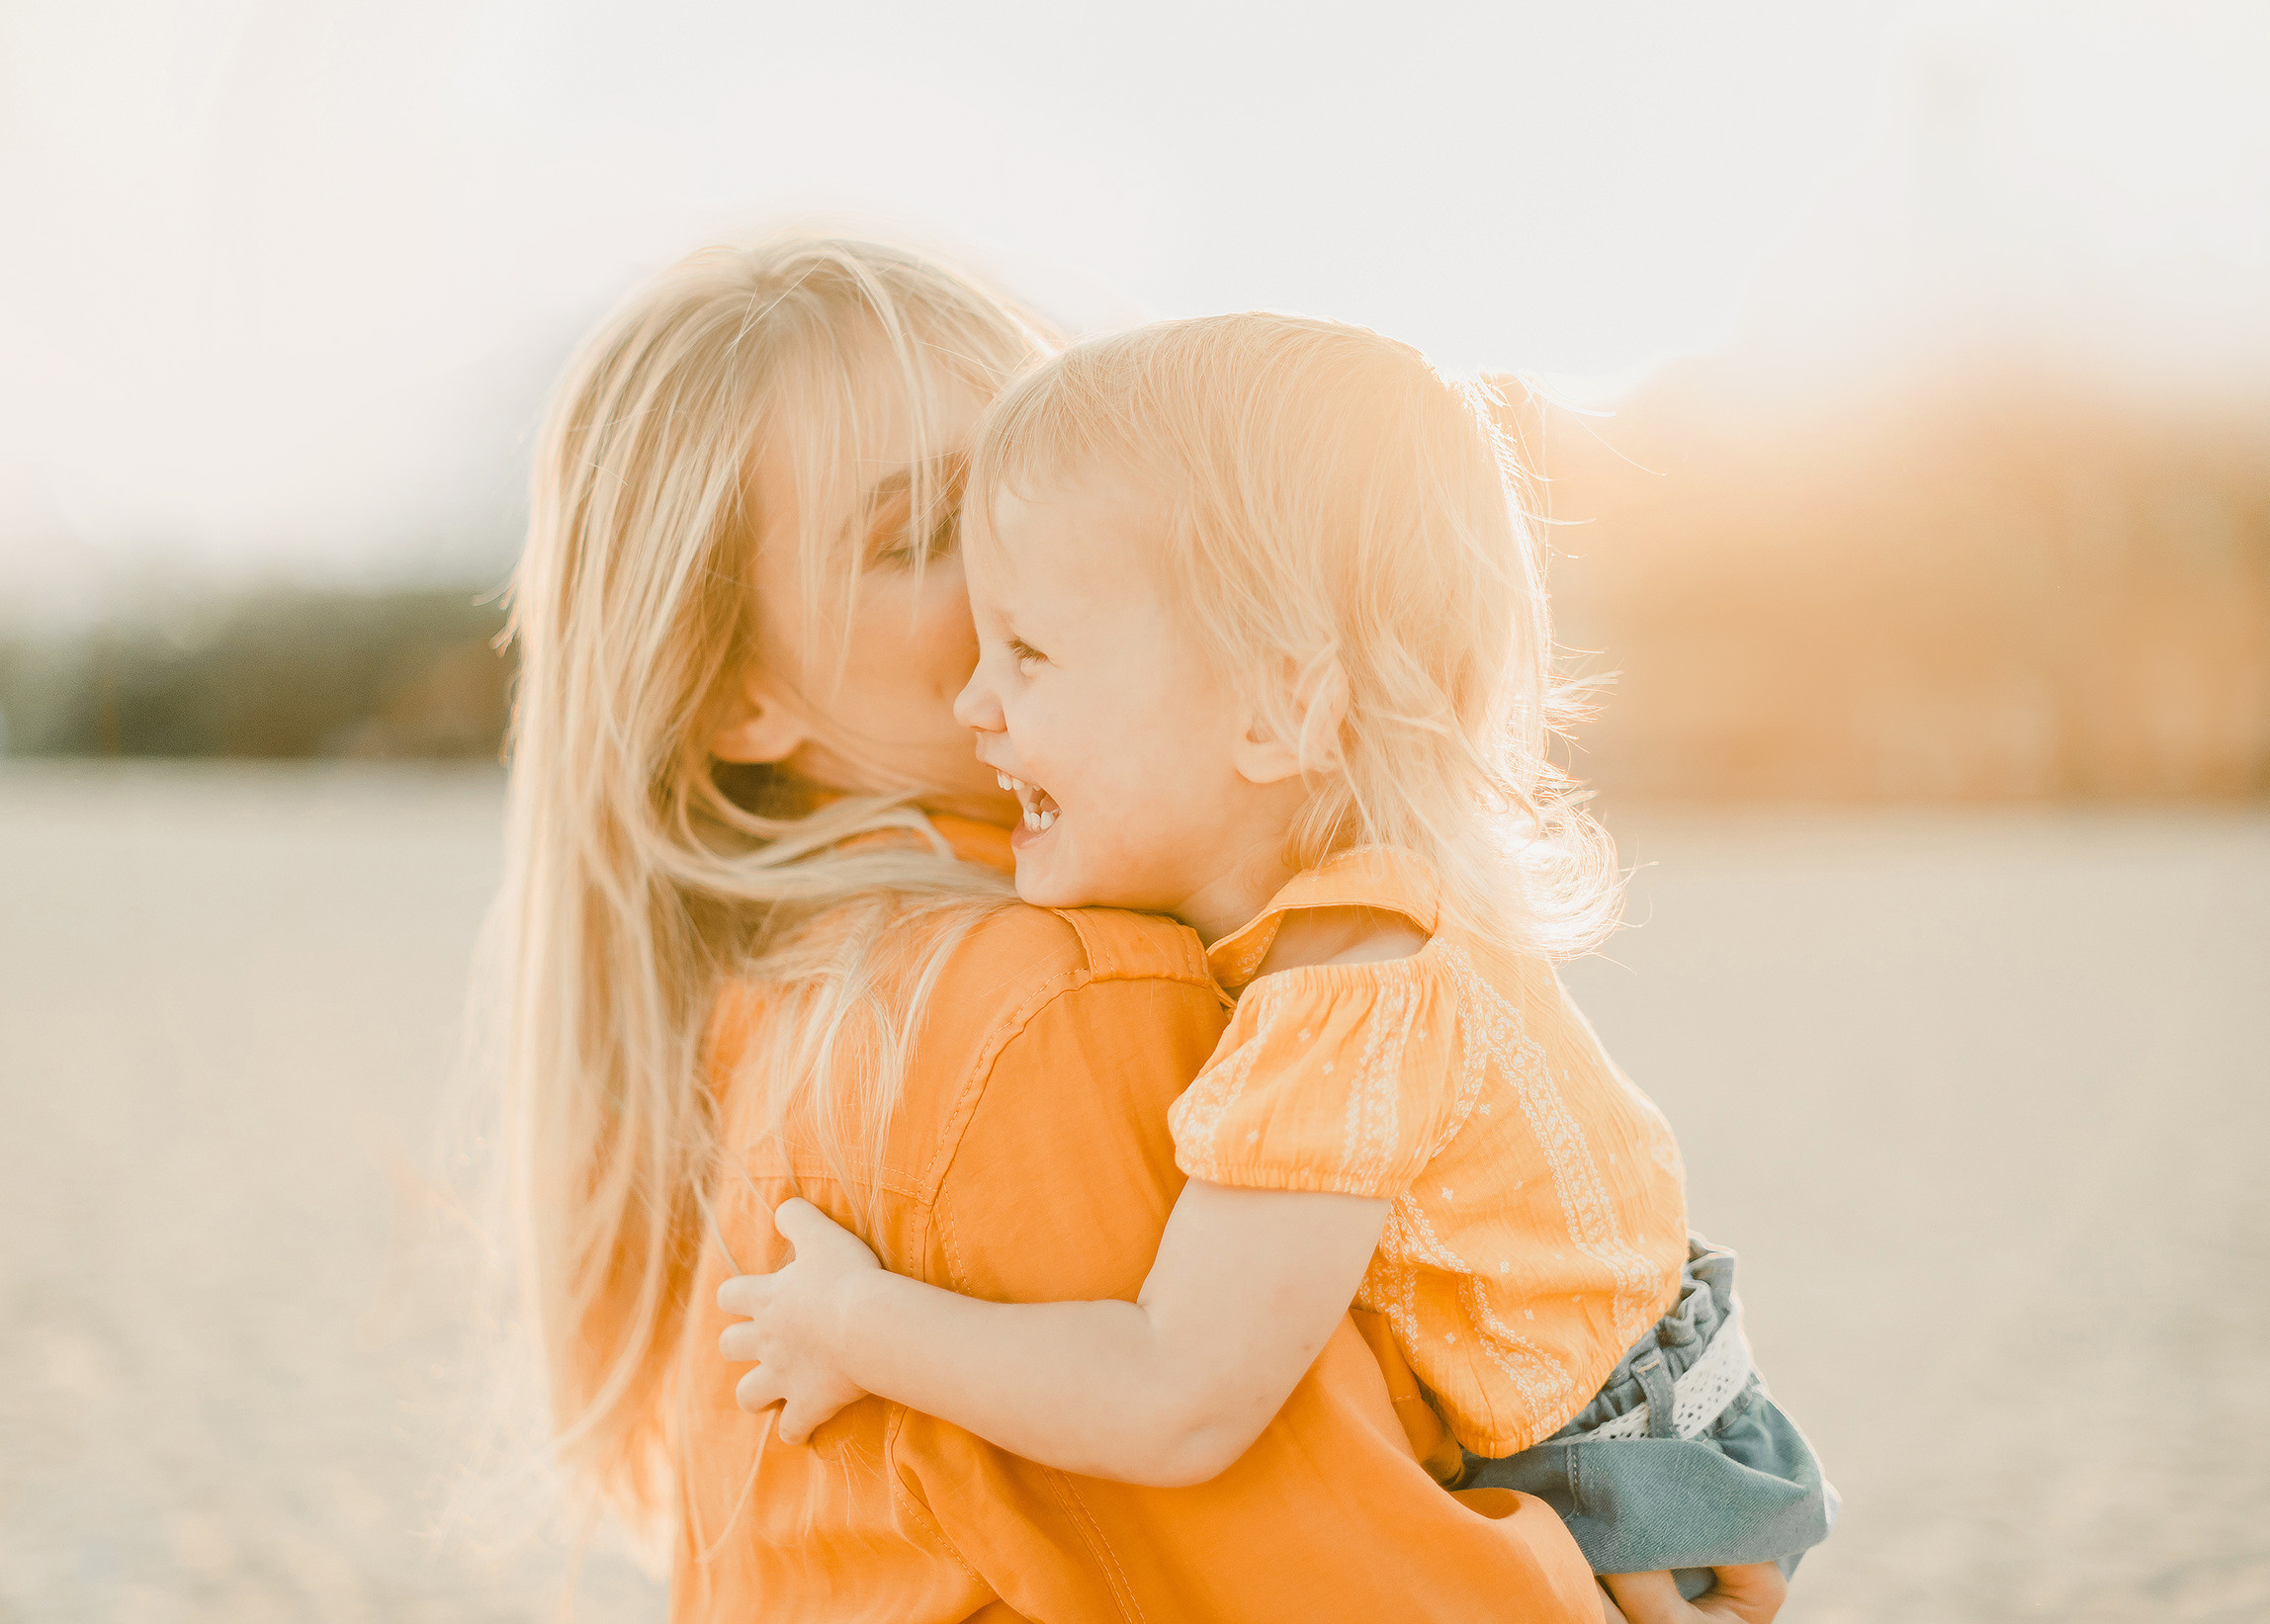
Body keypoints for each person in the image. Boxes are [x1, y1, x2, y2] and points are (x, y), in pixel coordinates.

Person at [501, 240, 1615, 1620]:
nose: (1018, 572)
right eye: (924, 535)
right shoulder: (1053, 1004)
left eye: (1045, 482)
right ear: (734, 699)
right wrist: (1622, 1553)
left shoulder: (782, 1002)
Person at [716, 313, 1835, 1616]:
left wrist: (857, 1326)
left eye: (1029, 652)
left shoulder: (1346, 995)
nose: (977, 701)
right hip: (1656, 1404)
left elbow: (1174, 1396)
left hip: (1617, 1476)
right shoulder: (1377, 915)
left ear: (1274, 708)